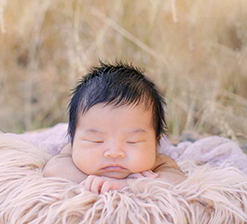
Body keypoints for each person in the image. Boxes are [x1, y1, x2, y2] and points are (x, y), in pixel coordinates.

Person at [42, 62, 186, 194]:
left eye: (132, 142)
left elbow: (177, 181)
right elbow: (53, 169)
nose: (114, 153)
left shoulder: (158, 161)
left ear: (155, 142)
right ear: (73, 138)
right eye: (97, 141)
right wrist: (97, 182)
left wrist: (125, 185)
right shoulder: (70, 152)